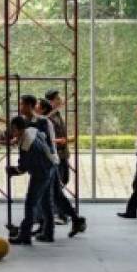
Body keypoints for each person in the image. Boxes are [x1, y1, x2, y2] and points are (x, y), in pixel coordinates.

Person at [37, 98, 87, 238]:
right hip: (51, 161)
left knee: (43, 195)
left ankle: (45, 227)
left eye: (36, 105)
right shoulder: (46, 119)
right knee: (56, 194)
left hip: (49, 162)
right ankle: (75, 220)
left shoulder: (45, 122)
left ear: (42, 109)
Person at [8, 115, 57, 245]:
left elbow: (23, 167)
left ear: (18, 129)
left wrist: (13, 170)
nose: (12, 133)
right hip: (50, 166)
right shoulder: (32, 130)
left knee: (30, 203)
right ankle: (48, 233)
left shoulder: (26, 145)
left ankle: (24, 235)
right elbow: (43, 136)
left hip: (41, 172)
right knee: (46, 202)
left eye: (13, 130)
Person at [45, 89, 70, 187]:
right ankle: (53, 201)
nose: (60, 100)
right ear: (50, 101)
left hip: (63, 153)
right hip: (54, 154)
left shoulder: (57, 114)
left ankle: (55, 200)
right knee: (56, 181)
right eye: (58, 99)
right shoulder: (46, 117)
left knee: (64, 179)